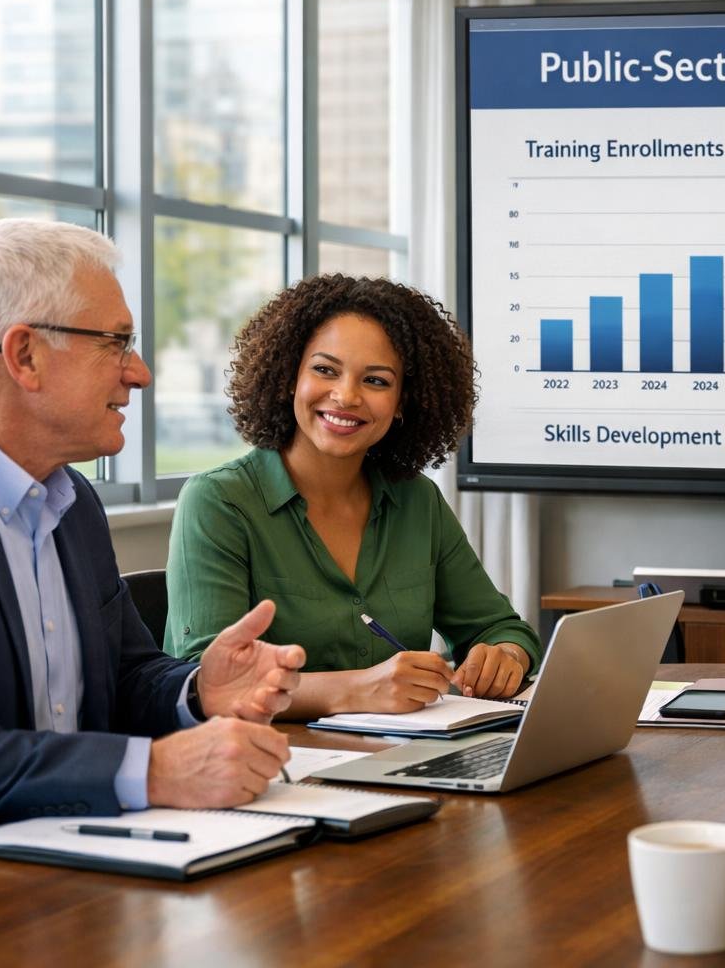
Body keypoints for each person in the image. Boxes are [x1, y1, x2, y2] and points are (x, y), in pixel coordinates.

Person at [0, 219, 306, 825]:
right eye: (116, 342)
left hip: (82, 863)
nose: (140, 373)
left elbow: (124, 678)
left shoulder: (73, 498)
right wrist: (153, 771)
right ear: (25, 355)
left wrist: (200, 690)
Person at [164, 273, 542, 717]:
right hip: (267, 764)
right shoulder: (218, 502)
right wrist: (358, 689)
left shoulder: (417, 502)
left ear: (403, 401)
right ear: (290, 377)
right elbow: (208, 680)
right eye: (325, 370)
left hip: (402, 756)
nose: (345, 396)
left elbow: (500, 628)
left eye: (377, 381)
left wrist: (504, 657)